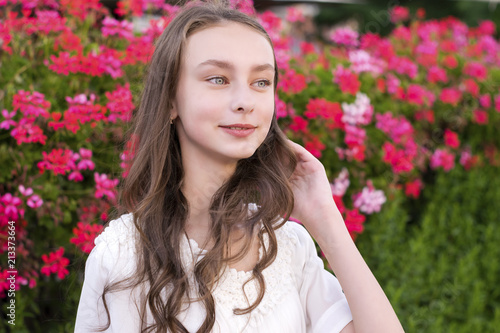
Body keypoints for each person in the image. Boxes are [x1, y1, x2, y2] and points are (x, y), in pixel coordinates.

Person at [74, 2, 404, 332]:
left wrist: (326, 222)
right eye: (218, 79)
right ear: (171, 99)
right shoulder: (121, 253)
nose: (245, 101)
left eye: (261, 81)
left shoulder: (288, 247)